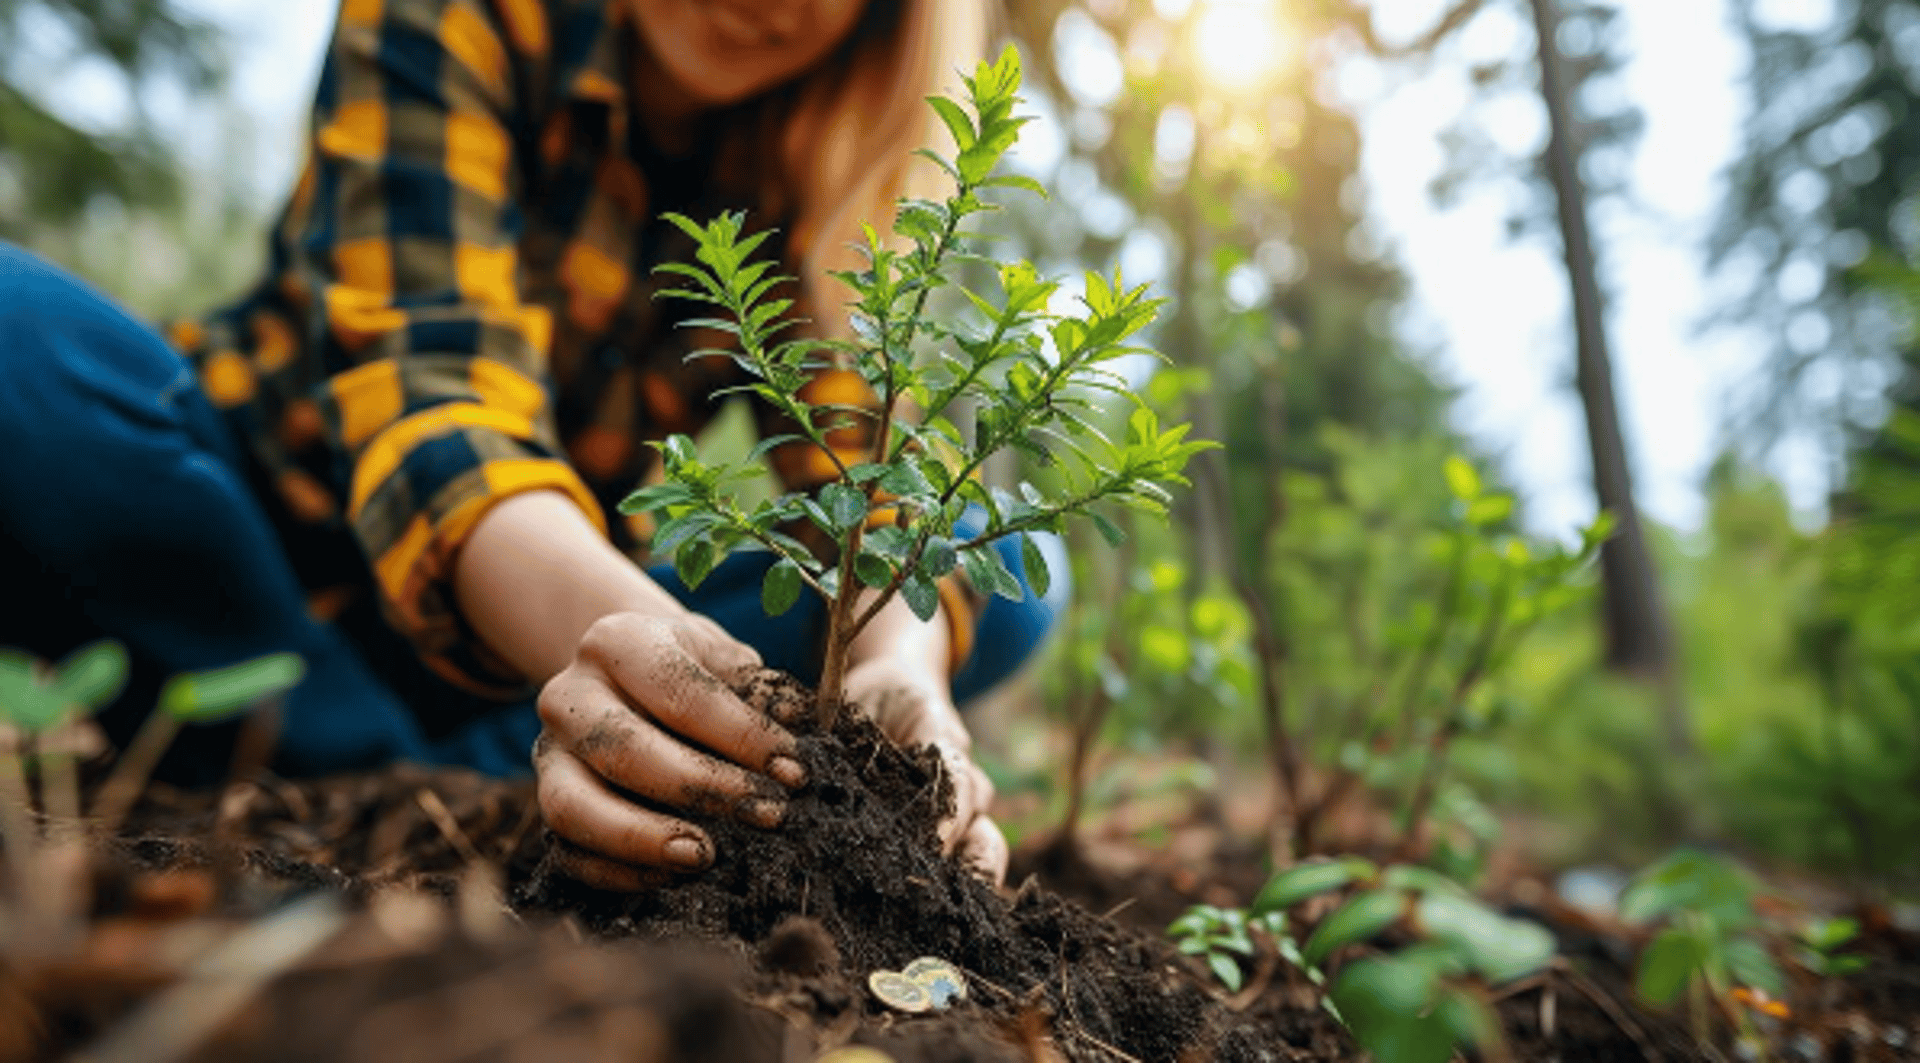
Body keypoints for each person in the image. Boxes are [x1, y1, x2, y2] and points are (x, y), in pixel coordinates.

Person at [0, 0, 1067, 887]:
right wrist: (672, 671)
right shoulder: (461, 17)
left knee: (1003, 563)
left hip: (528, 648)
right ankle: (446, 759)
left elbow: (873, 486)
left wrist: (899, 674)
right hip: (250, 560)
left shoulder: (806, 156)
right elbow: (440, 412)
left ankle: (465, 755)